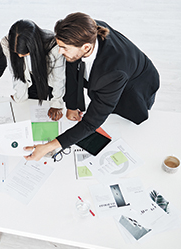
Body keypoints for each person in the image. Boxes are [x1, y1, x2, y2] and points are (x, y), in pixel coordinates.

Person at [25, 12, 160, 160]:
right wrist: (71, 105)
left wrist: (48, 146)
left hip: (136, 85)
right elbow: (71, 65)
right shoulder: (86, 29)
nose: (59, 51)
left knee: (122, 119)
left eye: (64, 48)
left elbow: (91, 123)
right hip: (113, 72)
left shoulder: (113, 73)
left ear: (86, 47)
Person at [1, 20, 66, 121]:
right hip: (29, 77)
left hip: (46, 75)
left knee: (43, 105)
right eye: (16, 53)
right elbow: (16, 72)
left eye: (24, 53)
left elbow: (58, 77)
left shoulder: (53, 45)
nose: (19, 56)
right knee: (28, 108)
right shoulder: (6, 43)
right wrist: (20, 96)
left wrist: (57, 104)